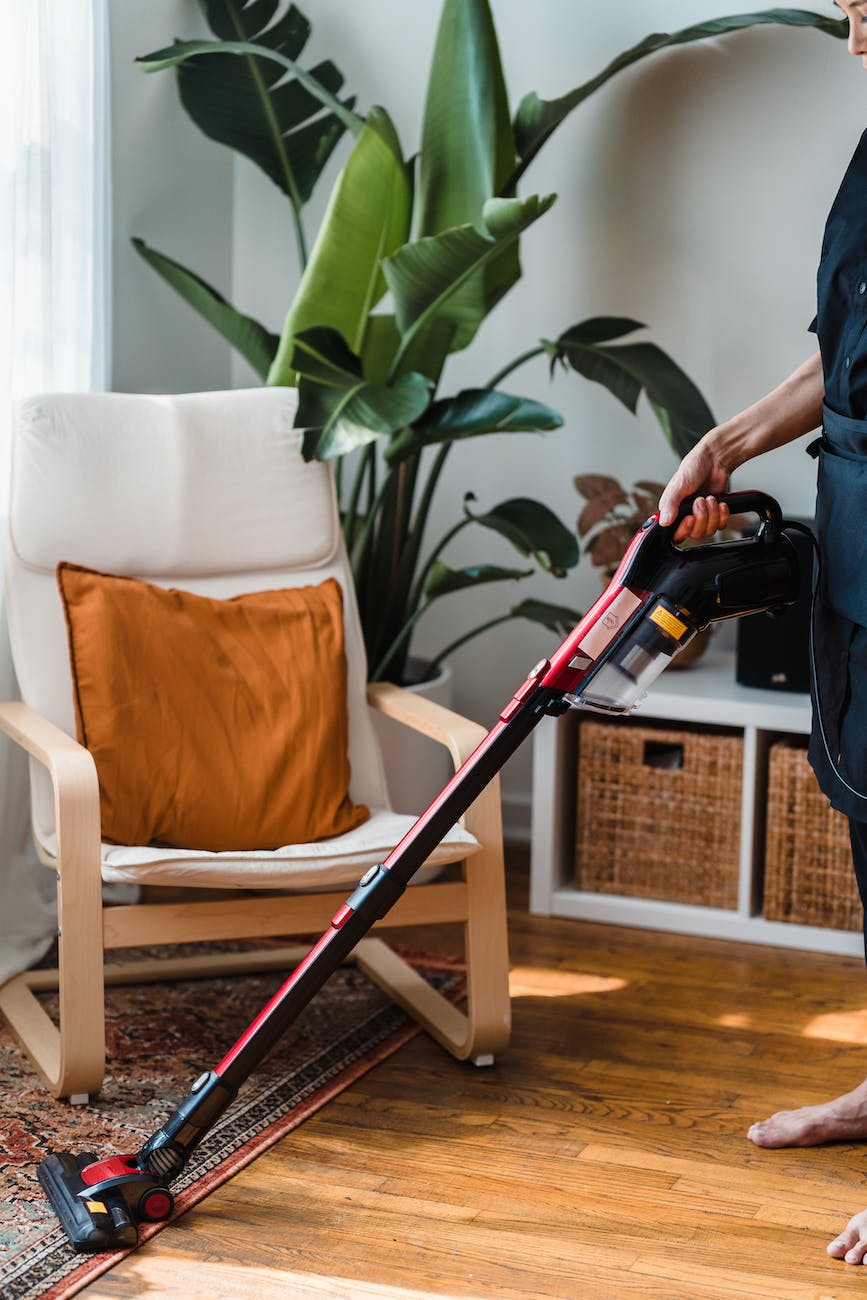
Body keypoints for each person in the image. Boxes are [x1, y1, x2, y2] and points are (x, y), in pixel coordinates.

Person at [658, 0, 867, 1266]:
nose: (855, 32)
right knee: (866, 821)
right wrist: (728, 442)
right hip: (854, 530)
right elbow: (839, 352)